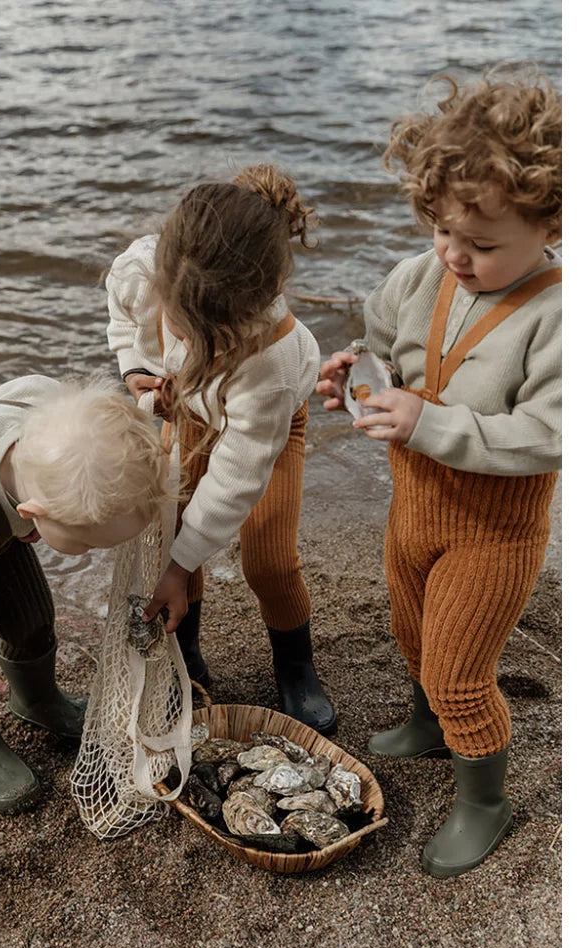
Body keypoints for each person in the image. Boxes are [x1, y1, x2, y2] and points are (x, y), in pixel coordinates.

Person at [317, 72, 561, 876]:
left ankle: (483, 800)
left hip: (493, 530)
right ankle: (425, 719)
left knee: (461, 672)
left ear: (551, 221)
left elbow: (548, 434)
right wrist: (356, 371)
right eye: (442, 231)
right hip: (413, 507)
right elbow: (385, 343)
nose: (457, 255)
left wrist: (431, 422)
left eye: (484, 245)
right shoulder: (422, 274)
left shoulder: (560, 316)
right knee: (412, 628)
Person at [105, 163, 337, 735]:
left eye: (192, 335)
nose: (178, 338)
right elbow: (123, 320)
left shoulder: (273, 361)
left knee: (270, 559)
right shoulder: (142, 269)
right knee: (174, 528)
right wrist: (138, 369)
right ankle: (187, 658)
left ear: (243, 313)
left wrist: (181, 566)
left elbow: (238, 474)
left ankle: (295, 665)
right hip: (186, 412)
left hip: (267, 432)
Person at [0, 374, 169, 812]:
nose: (91, 552)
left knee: (30, 616)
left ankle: (37, 699)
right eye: (86, 544)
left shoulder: (48, 412)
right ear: (33, 513)